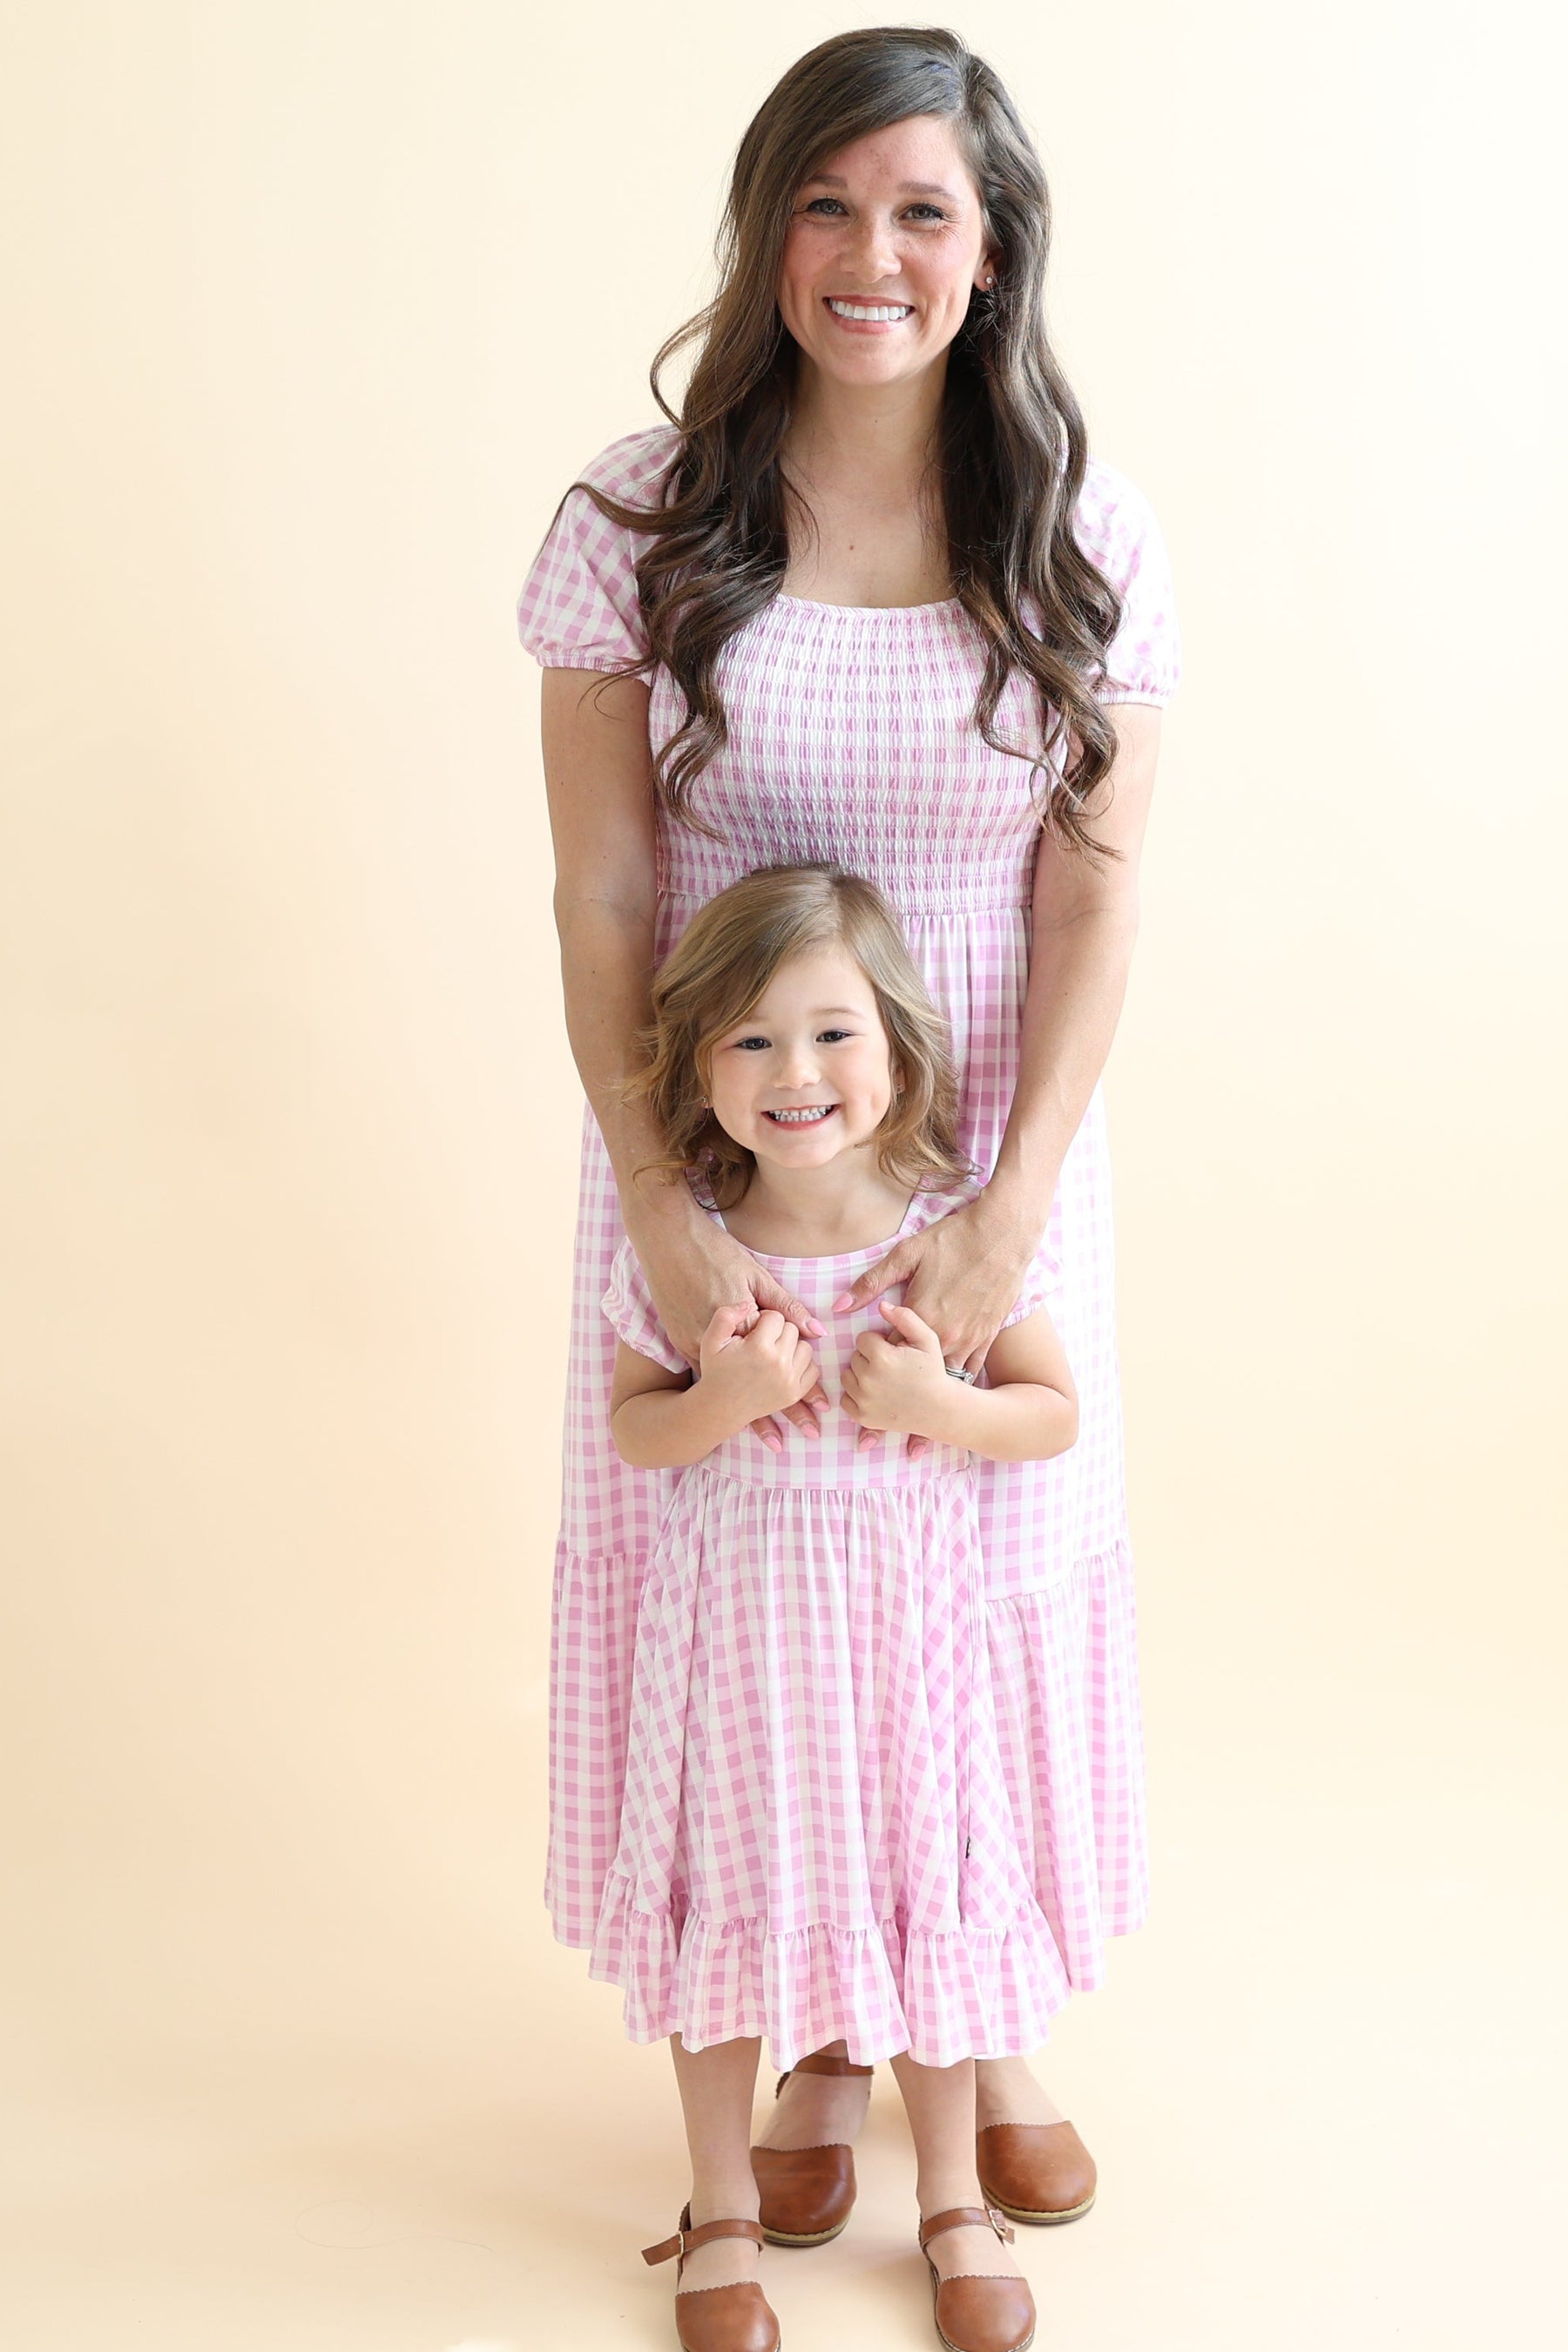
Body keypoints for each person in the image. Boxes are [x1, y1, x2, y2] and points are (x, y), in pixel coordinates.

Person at [516, 24, 1180, 2253]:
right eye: (826, 203)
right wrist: (655, 1210)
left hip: (990, 1173)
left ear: (991, 260)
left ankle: (985, 2037)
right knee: (767, 1593)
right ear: (765, 226)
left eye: (922, 212)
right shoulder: (636, 518)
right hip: (719, 1177)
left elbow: (1096, 890)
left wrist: (1006, 1220)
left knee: (965, 1603)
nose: (868, 254)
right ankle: (804, 2036)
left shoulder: (1081, 534)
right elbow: (609, 892)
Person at [603, 862, 1070, 2352]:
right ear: (697, 1067)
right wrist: (725, 1393)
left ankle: (948, 2199)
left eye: (828, 1035)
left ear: (898, 1047)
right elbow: (635, 1430)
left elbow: (1052, 1415)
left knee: (928, 1908)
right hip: (737, 1673)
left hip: (904, 1668)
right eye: (747, 1043)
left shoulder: (944, 1237)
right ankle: (722, 2207)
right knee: (727, 1922)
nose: (791, 1075)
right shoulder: (694, 1252)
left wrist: (939, 1403)